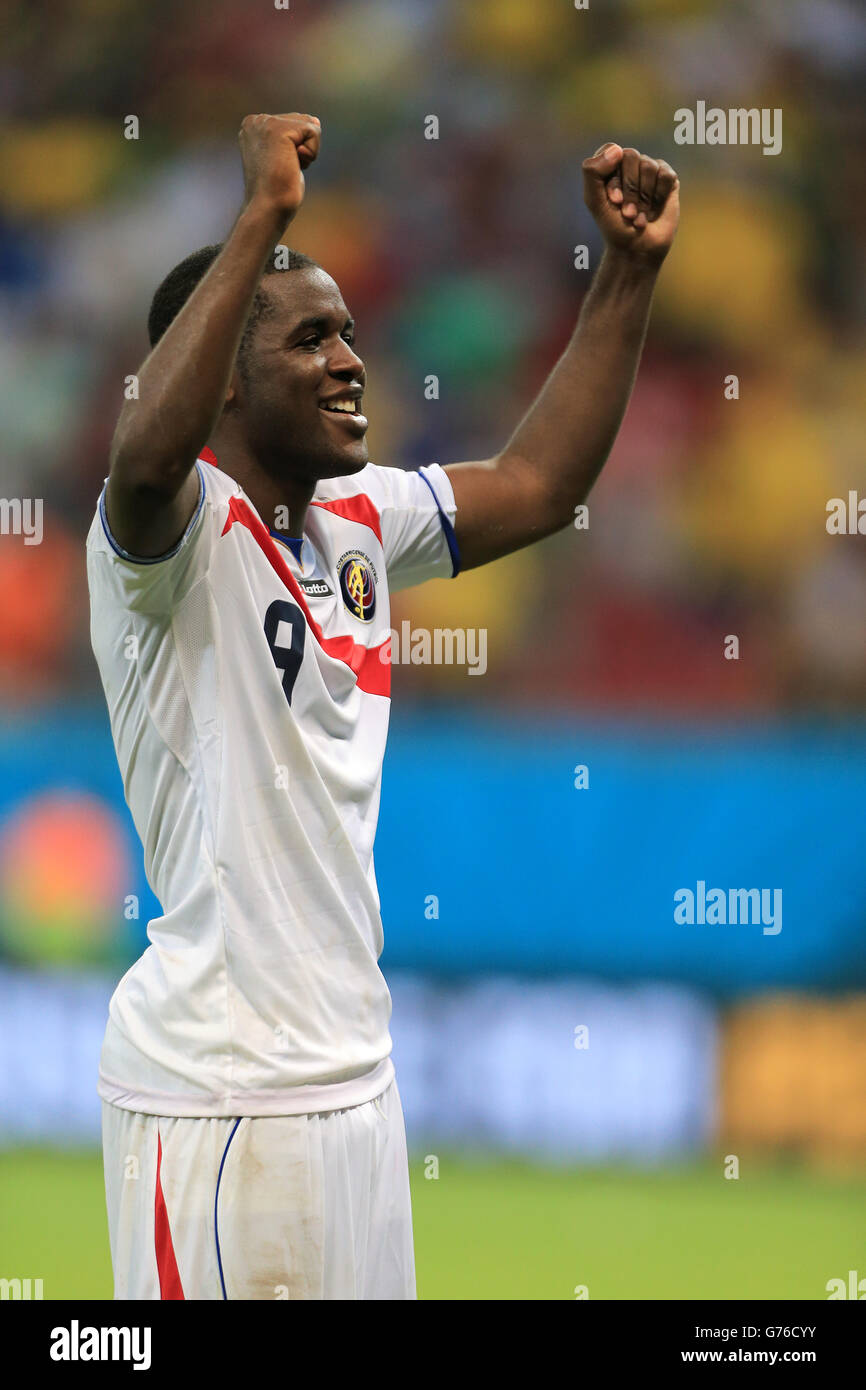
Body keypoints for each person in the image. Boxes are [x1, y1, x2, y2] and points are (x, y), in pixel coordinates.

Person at [87, 112, 680, 1299]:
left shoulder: (360, 519)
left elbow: (537, 482)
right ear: (224, 381)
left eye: (350, 333)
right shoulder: (167, 541)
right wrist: (261, 216)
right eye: (309, 340)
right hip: (217, 1100)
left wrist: (628, 270)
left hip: (356, 1084)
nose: (352, 360)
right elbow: (146, 460)